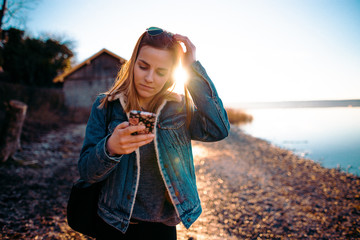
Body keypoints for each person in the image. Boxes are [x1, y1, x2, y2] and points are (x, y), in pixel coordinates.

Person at [78, 27, 230, 239]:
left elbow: (219, 129)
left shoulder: (178, 107)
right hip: (113, 222)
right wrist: (110, 148)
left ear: (170, 73)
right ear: (132, 63)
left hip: (161, 227)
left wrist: (192, 68)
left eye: (161, 72)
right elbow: (86, 171)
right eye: (143, 66)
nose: (149, 78)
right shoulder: (106, 106)